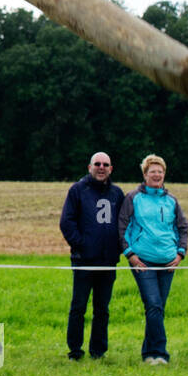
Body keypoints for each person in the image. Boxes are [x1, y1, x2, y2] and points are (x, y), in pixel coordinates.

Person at [119, 154, 188, 365]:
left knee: (156, 309)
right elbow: (122, 226)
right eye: (152, 171)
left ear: (164, 174)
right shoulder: (133, 198)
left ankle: (149, 354)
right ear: (145, 174)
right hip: (143, 261)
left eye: (160, 171)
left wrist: (180, 253)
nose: (156, 175)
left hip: (168, 262)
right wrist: (130, 254)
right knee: (154, 305)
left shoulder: (171, 201)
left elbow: (182, 228)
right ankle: (160, 353)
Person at [59, 151, 125, 360]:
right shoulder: (78, 190)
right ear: (89, 167)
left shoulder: (116, 193)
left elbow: (124, 223)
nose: (101, 167)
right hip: (83, 260)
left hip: (108, 261)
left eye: (105, 164)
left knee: (102, 309)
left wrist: (118, 247)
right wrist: (81, 245)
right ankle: (75, 351)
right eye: (97, 164)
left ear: (111, 169)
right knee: (79, 306)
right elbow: (66, 222)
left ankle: (98, 351)